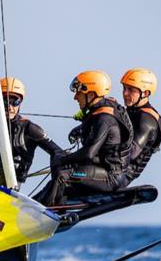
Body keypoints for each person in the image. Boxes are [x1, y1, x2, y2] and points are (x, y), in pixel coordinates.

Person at [39, 70, 133, 206]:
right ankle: (31, 207)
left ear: (91, 94)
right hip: (100, 169)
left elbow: (88, 154)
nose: (75, 97)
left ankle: (45, 214)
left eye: (79, 93)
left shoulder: (105, 119)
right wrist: (80, 129)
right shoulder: (102, 107)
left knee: (62, 174)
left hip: (111, 177)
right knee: (58, 174)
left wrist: (63, 159)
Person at [1, 77, 63, 184]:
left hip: (12, 184)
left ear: (20, 103)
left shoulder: (29, 128)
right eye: (6, 101)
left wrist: (57, 177)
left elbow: (57, 151)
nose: (10, 107)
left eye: (15, 102)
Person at [119, 68, 161, 186]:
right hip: (108, 167)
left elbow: (132, 153)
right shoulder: (132, 111)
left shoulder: (147, 119)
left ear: (145, 93)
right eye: (124, 88)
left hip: (121, 176)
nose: (125, 93)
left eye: (131, 90)